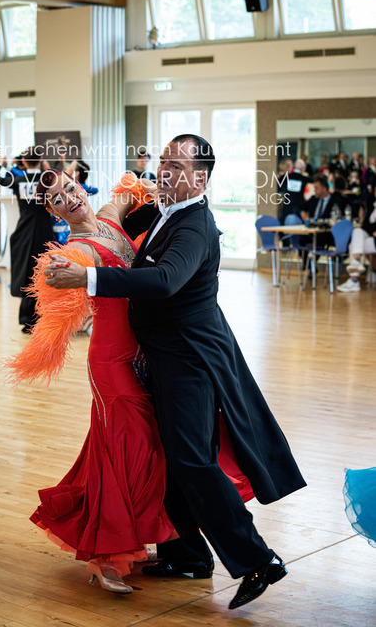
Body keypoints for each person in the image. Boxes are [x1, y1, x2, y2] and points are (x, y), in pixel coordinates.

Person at [44, 134, 307, 611]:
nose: (164, 171)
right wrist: (87, 205)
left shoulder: (194, 226)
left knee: (192, 461)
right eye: (163, 161)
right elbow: (109, 222)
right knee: (172, 458)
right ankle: (186, 555)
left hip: (190, 360)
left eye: (176, 166)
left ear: (200, 178)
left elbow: (165, 281)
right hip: (159, 358)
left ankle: (258, 560)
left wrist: (88, 277)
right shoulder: (165, 211)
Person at [6, 170, 254, 595]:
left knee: (158, 452)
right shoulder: (79, 250)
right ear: (52, 211)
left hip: (146, 356)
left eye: (71, 188)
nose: (70, 199)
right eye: (58, 199)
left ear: (81, 187)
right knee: (126, 454)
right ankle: (108, 557)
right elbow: (61, 288)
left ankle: (173, 547)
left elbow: (133, 189)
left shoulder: (109, 216)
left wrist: (160, 188)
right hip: (112, 361)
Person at [0, 147, 54, 332]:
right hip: (44, 230)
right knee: (43, 271)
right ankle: (43, 317)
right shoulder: (48, 180)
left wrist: (0, 164)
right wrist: (48, 170)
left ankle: (27, 319)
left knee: (26, 272)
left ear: (24, 162)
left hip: (24, 231)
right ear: (41, 159)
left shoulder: (19, 180)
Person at [337, 197, 376, 292]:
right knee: (357, 231)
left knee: (353, 246)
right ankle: (356, 262)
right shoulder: (372, 206)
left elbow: (368, 227)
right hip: (372, 238)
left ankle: (354, 280)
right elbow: (365, 226)